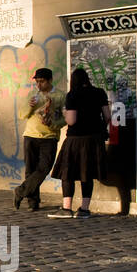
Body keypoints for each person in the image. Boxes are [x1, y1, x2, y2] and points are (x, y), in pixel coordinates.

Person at [49, 68, 111, 218]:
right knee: (87, 173)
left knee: (67, 173)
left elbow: (71, 120)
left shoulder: (73, 95)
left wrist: (64, 113)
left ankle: (66, 209)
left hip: (75, 139)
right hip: (94, 139)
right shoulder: (99, 92)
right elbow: (108, 116)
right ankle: (84, 209)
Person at [12, 68, 65, 211]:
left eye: (42, 81)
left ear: (50, 80)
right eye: (37, 82)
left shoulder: (60, 96)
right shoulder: (33, 95)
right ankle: (33, 203)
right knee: (30, 169)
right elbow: (22, 115)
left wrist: (53, 124)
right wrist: (29, 107)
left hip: (49, 137)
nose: (39, 85)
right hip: (30, 135)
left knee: (44, 167)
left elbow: (65, 119)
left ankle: (21, 191)